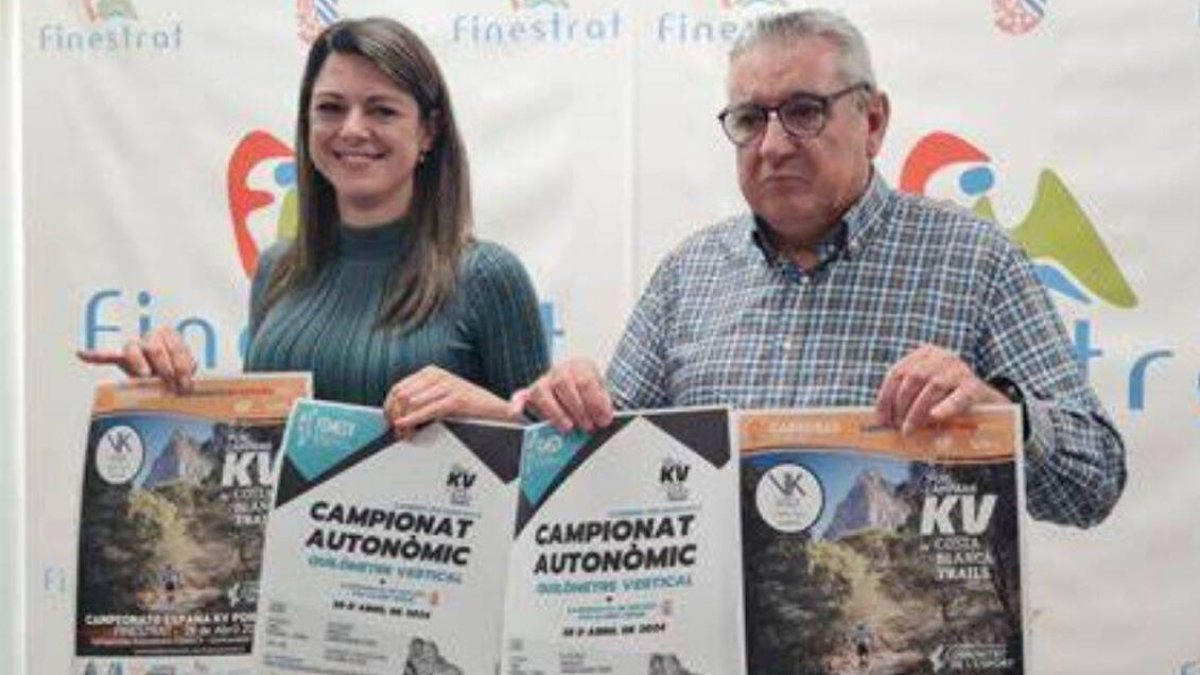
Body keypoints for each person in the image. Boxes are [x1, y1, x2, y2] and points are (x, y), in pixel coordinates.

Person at [514, 9, 1124, 528]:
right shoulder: (688, 275)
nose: (773, 147)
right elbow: (609, 465)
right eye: (751, 119)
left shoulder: (975, 260)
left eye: (804, 111)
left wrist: (999, 414)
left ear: (874, 122)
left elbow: (1093, 483)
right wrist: (562, 408)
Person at [79, 17, 549, 431]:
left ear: (428, 131)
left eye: (382, 110)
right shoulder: (278, 270)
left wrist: (493, 412)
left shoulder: (488, 276)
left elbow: (544, 470)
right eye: (330, 108)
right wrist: (165, 395)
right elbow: (259, 451)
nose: (351, 129)